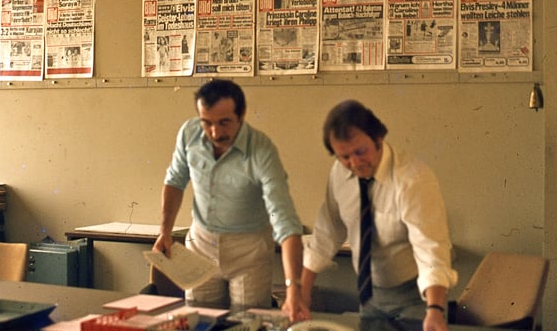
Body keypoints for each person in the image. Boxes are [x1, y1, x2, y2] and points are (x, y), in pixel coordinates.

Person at [153, 79, 310, 322]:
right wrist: (165, 231)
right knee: (199, 322)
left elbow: (285, 220)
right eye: (207, 122)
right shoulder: (189, 134)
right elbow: (175, 181)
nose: (215, 132)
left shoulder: (261, 150)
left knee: (246, 324)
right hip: (201, 244)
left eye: (224, 122)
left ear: (242, 115)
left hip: (249, 250)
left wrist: (294, 288)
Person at [300, 100, 457, 331]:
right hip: (369, 294)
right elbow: (327, 233)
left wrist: (434, 310)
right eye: (343, 157)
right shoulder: (339, 173)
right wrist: (301, 292)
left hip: (415, 296)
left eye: (360, 152)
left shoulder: (412, 179)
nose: (354, 163)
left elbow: (430, 249)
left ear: (379, 138)